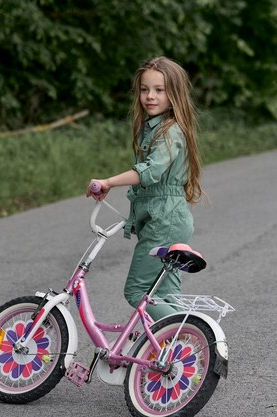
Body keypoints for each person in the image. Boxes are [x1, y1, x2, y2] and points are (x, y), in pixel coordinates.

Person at [87, 56, 202, 321]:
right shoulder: (154, 128)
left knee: (138, 290)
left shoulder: (170, 132)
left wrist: (108, 182)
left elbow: (150, 171)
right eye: (144, 89)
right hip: (167, 219)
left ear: (174, 94)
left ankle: (192, 335)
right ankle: (188, 352)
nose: (150, 96)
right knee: (166, 294)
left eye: (159, 90)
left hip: (165, 221)